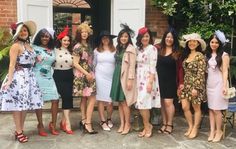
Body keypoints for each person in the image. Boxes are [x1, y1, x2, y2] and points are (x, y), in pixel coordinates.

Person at [0, 21, 43, 143]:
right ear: (17, 33)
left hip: (29, 77)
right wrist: (9, 81)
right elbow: (12, 64)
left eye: (25, 30)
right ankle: (19, 132)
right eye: (21, 31)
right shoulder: (15, 46)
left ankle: (20, 130)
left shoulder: (29, 46)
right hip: (19, 78)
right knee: (17, 106)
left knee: (24, 106)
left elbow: (31, 60)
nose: (24, 32)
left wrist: (37, 58)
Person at [110, 24, 136, 135]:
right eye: (122, 36)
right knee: (119, 102)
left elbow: (132, 65)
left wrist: (130, 80)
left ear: (129, 38)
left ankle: (127, 124)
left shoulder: (131, 49)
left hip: (125, 77)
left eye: (126, 36)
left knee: (125, 102)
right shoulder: (119, 48)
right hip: (117, 74)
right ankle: (122, 123)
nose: (123, 38)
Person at [156, 28, 183, 134]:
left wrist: (181, 82)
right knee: (162, 102)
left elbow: (180, 68)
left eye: (171, 37)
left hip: (171, 81)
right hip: (159, 80)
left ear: (174, 39)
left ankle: (170, 124)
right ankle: (164, 123)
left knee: (168, 102)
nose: (169, 39)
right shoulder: (158, 49)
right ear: (164, 38)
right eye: (167, 37)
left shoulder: (177, 52)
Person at [33, 28, 60, 136]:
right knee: (39, 101)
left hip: (49, 76)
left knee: (56, 100)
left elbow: (53, 62)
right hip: (37, 76)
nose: (45, 38)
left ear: (50, 38)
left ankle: (53, 124)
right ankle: (40, 125)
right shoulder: (34, 48)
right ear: (39, 37)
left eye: (47, 36)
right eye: (43, 36)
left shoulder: (52, 49)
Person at [179, 33, 206, 139]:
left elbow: (201, 73)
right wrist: (182, 85)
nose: (192, 43)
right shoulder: (186, 55)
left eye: (194, 41)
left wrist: (196, 88)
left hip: (196, 85)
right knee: (185, 107)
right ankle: (190, 126)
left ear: (198, 43)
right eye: (190, 41)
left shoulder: (200, 56)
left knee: (196, 108)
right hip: (186, 85)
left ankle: (195, 128)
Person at [135, 27, 161, 138]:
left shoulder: (152, 49)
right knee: (141, 104)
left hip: (148, 78)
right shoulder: (139, 49)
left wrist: (150, 82)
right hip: (139, 78)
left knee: (143, 103)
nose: (145, 38)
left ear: (149, 37)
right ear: (139, 38)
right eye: (143, 36)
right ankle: (147, 126)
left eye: (147, 36)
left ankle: (147, 126)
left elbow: (153, 66)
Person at [73, 22, 97, 134]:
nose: (84, 34)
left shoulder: (89, 45)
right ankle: (87, 123)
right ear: (79, 33)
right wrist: (86, 73)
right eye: (82, 32)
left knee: (86, 98)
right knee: (90, 98)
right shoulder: (77, 46)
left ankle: (84, 120)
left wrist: (91, 73)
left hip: (90, 73)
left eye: (86, 32)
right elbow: (75, 63)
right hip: (82, 74)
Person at [205, 30, 229, 142]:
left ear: (220, 44)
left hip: (219, 84)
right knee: (211, 109)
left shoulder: (224, 55)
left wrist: (224, 86)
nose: (214, 44)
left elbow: (225, 72)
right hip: (210, 84)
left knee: (217, 109)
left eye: (216, 42)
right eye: (212, 42)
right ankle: (212, 130)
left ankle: (219, 131)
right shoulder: (208, 55)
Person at [93, 30, 116, 131]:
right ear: (101, 40)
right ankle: (102, 120)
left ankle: (109, 118)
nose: (105, 39)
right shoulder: (96, 50)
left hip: (111, 77)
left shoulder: (115, 50)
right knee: (101, 100)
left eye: (107, 38)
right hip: (100, 77)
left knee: (110, 101)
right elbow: (93, 64)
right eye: (103, 38)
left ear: (110, 39)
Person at [53, 26, 74, 134]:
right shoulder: (54, 50)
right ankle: (65, 123)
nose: (67, 42)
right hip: (58, 75)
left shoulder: (72, 51)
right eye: (64, 40)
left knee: (67, 98)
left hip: (69, 75)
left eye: (68, 40)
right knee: (57, 99)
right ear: (60, 40)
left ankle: (65, 122)